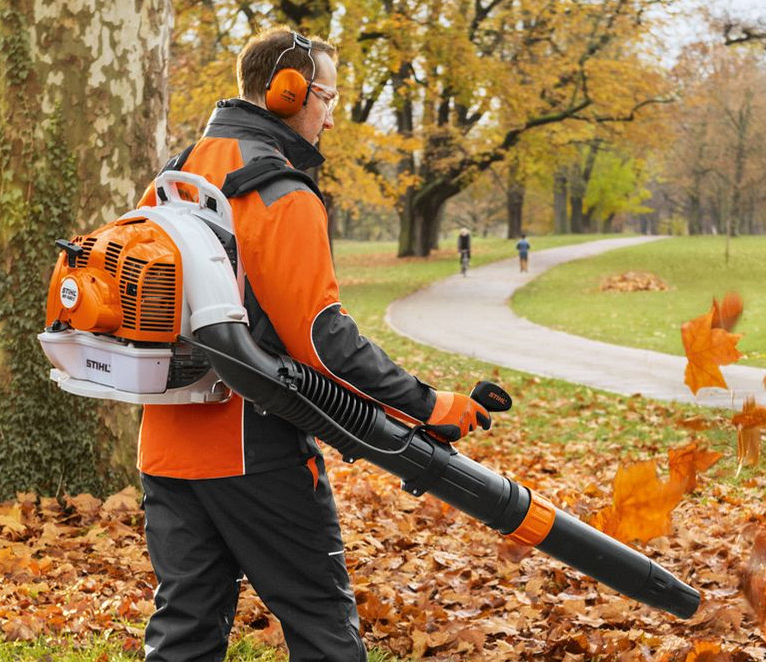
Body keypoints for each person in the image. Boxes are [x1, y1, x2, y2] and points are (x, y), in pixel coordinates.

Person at [131, 28, 495, 662]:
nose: (329, 113)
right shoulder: (280, 192)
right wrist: (431, 405)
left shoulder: (173, 178)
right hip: (256, 449)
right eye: (325, 95)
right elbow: (325, 343)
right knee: (321, 622)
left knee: (184, 629)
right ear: (288, 92)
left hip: (166, 446)